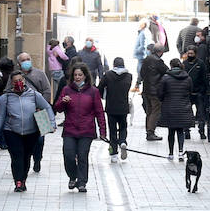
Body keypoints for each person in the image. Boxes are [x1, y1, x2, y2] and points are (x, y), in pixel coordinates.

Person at [0, 72, 55, 192]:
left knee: (26, 156)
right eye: (15, 81)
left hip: (31, 132)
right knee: (16, 156)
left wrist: (52, 123)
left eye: (20, 80)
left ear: (24, 81)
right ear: (11, 83)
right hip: (11, 131)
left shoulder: (34, 95)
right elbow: (0, 117)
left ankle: (23, 179)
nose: (19, 83)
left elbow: (47, 107)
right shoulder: (5, 98)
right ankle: (18, 181)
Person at [53, 64, 107, 192]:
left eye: (80, 75)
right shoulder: (66, 90)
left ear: (85, 76)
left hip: (86, 130)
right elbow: (57, 108)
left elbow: (99, 112)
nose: (77, 77)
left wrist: (102, 130)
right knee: (69, 155)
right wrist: (62, 102)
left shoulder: (93, 91)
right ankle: (73, 176)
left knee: (83, 156)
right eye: (75, 75)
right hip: (70, 129)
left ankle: (82, 182)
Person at [8, 52, 53, 172]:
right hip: (21, 114)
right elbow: (8, 92)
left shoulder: (40, 74)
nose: (26, 61)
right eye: (23, 60)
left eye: (28, 59)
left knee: (40, 139)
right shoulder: (14, 77)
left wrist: (40, 106)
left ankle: (37, 159)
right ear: (19, 63)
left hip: (39, 112)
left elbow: (47, 91)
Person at [156, 58, 195, 161]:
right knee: (180, 131)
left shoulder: (166, 78)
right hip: (183, 107)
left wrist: (164, 99)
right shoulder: (187, 78)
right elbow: (191, 91)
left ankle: (171, 153)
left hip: (170, 108)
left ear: (171, 66)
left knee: (171, 131)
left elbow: (160, 93)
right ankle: (181, 152)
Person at [98, 57, 134, 163]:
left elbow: (100, 87)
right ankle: (123, 142)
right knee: (123, 127)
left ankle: (113, 153)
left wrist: (102, 96)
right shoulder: (129, 76)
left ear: (114, 64)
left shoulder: (108, 75)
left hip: (111, 107)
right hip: (123, 106)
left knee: (112, 130)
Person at [135, 44, 168, 140]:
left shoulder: (146, 59)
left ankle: (148, 130)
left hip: (146, 90)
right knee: (155, 111)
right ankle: (150, 132)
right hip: (155, 91)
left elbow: (141, 73)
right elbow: (166, 71)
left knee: (149, 111)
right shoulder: (158, 61)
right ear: (160, 52)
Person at [183, 47, 209, 140]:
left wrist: (203, 90)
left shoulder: (200, 64)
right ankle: (186, 131)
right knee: (187, 113)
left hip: (198, 92)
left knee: (201, 113)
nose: (190, 55)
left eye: (191, 54)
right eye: (188, 53)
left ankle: (201, 131)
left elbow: (204, 78)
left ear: (195, 54)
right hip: (188, 93)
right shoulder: (184, 64)